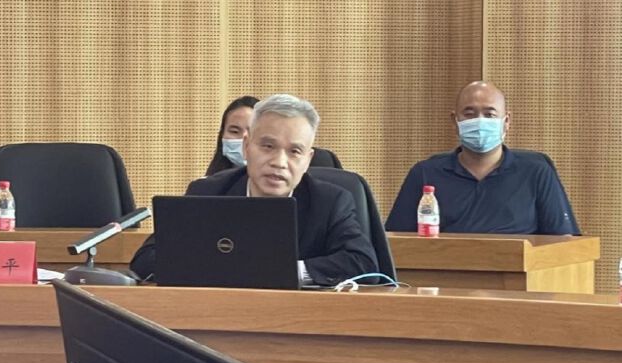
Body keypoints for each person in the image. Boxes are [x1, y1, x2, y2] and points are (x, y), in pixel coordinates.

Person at [131, 93, 379, 286]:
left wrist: (286, 271)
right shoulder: (208, 192)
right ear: (247, 146)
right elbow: (146, 259)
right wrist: (226, 268)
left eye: (294, 151)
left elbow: (363, 263)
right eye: (268, 146)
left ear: (308, 160)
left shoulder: (330, 201)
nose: (279, 162)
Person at [385, 81, 578, 234]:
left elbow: (562, 242)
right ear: (455, 121)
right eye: (469, 114)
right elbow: (396, 241)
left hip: (516, 271)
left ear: (506, 122)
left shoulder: (536, 172)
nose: (479, 121)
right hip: (445, 270)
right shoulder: (425, 174)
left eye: (489, 114)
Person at [205, 96, 260, 176]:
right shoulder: (205, 183)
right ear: (222, 135)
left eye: (251, 132)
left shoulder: (276, 182)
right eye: (235, 132)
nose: (244, 139)